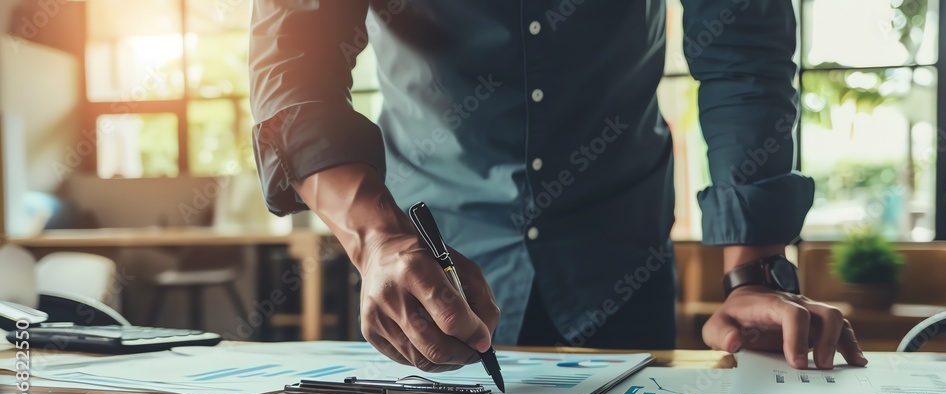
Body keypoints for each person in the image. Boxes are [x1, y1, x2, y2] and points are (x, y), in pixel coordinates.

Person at [249, 0, 867, 373]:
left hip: (619, 253)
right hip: (436, 264)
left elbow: (741, 48)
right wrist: (376, 237)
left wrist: (752, 276)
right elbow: (295, 66)